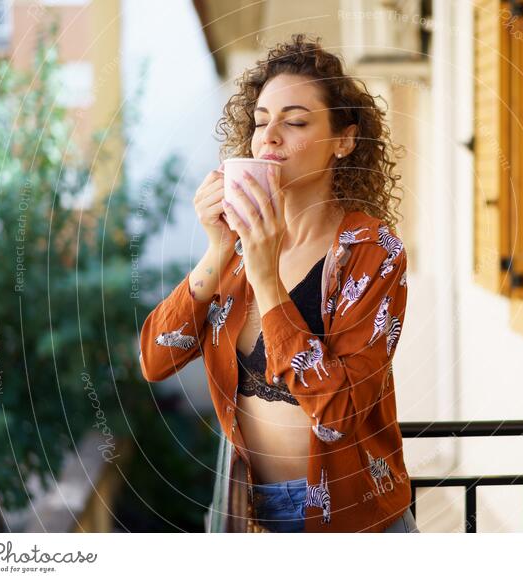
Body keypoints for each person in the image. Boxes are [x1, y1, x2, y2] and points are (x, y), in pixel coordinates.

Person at [139, 33, 418, 533]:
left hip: (351, 523)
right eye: (261, 121)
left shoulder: (373, 253)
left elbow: (338, 415)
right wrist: (219, 248)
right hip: (253, 514)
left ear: (344, 140)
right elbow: (156, 359)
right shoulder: (236, 251)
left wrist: (267, 279)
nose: (269, 136)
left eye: (294, 122)